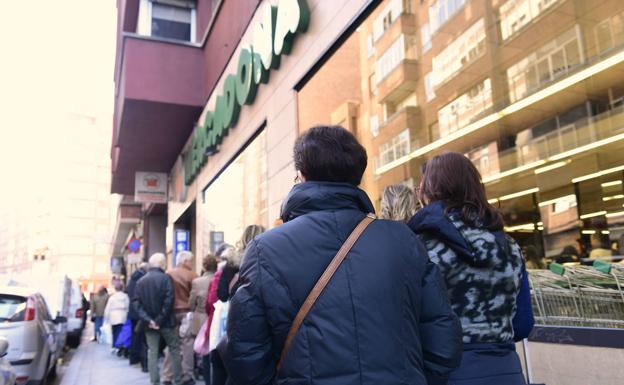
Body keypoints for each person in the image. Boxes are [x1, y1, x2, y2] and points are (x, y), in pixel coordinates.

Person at [222, 125, 462, 385]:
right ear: (356, 178)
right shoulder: (403, 240)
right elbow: (442, 335)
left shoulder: (264, 249)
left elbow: (245, 353)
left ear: (301, 175)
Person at [408, 152, 533, 385]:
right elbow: (523, 324)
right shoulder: (510, 247)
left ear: (432, 191)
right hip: (508, 372)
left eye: (421, 188)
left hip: (447, 374)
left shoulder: (421, 247)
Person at [133, 253, 185, 385]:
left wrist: (149, 320)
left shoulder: (141, 281)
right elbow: (169, 300)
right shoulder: (166, 278)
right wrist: (159, 320)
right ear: (162, 264)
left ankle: (154, 382)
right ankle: (178, 380)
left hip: (149, 324)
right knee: (174, 349)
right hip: (167, 322)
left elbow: (136, 304)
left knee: (152, 352)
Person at [162, 251, 198, 385]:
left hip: (171, 313)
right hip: (186, 313)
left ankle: (167, 376)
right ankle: (187, 376)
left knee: (172, 345)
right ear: (185, 261)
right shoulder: (192, 275)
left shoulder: (168, 274)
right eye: (190, 261)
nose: (191, 263)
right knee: (187, 344)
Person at [189, 255, 217, 383]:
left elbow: (191, 303)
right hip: (216, 318)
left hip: (201, 318)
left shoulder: (197, 282)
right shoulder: (220, 278)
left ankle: (206, 378)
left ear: (204, 266)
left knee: (203, 351)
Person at [127, 262, 149, 371]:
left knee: (135, 336)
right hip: (139, 311)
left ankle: (133, 358)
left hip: (132, 311)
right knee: (141, 338)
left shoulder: (132, 278)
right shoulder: (142, 278)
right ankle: (141, 360)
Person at [104, 281, 130, 356]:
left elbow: (108, 308)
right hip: (123, 315)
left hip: (114, 316)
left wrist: (106, 318)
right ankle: (121, 345)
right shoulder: (125, 297)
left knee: (114, 331)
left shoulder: (112, 297)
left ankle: (115, 345)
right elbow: (128, 306)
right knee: (122, 332)